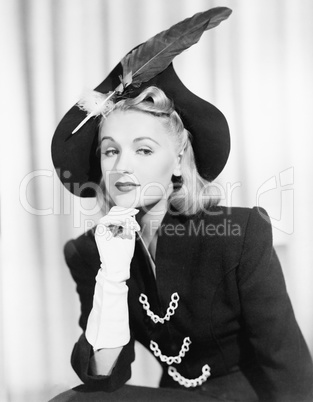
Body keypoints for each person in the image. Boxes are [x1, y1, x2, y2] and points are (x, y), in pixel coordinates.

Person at [50, 7, 313, 402]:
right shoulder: (89, 252)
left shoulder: (239, 234)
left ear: (177, 161)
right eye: (110, 151)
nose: (122, 166)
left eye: (143, 149)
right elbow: (105, 377)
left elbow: (286, 361)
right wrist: (113, 274)